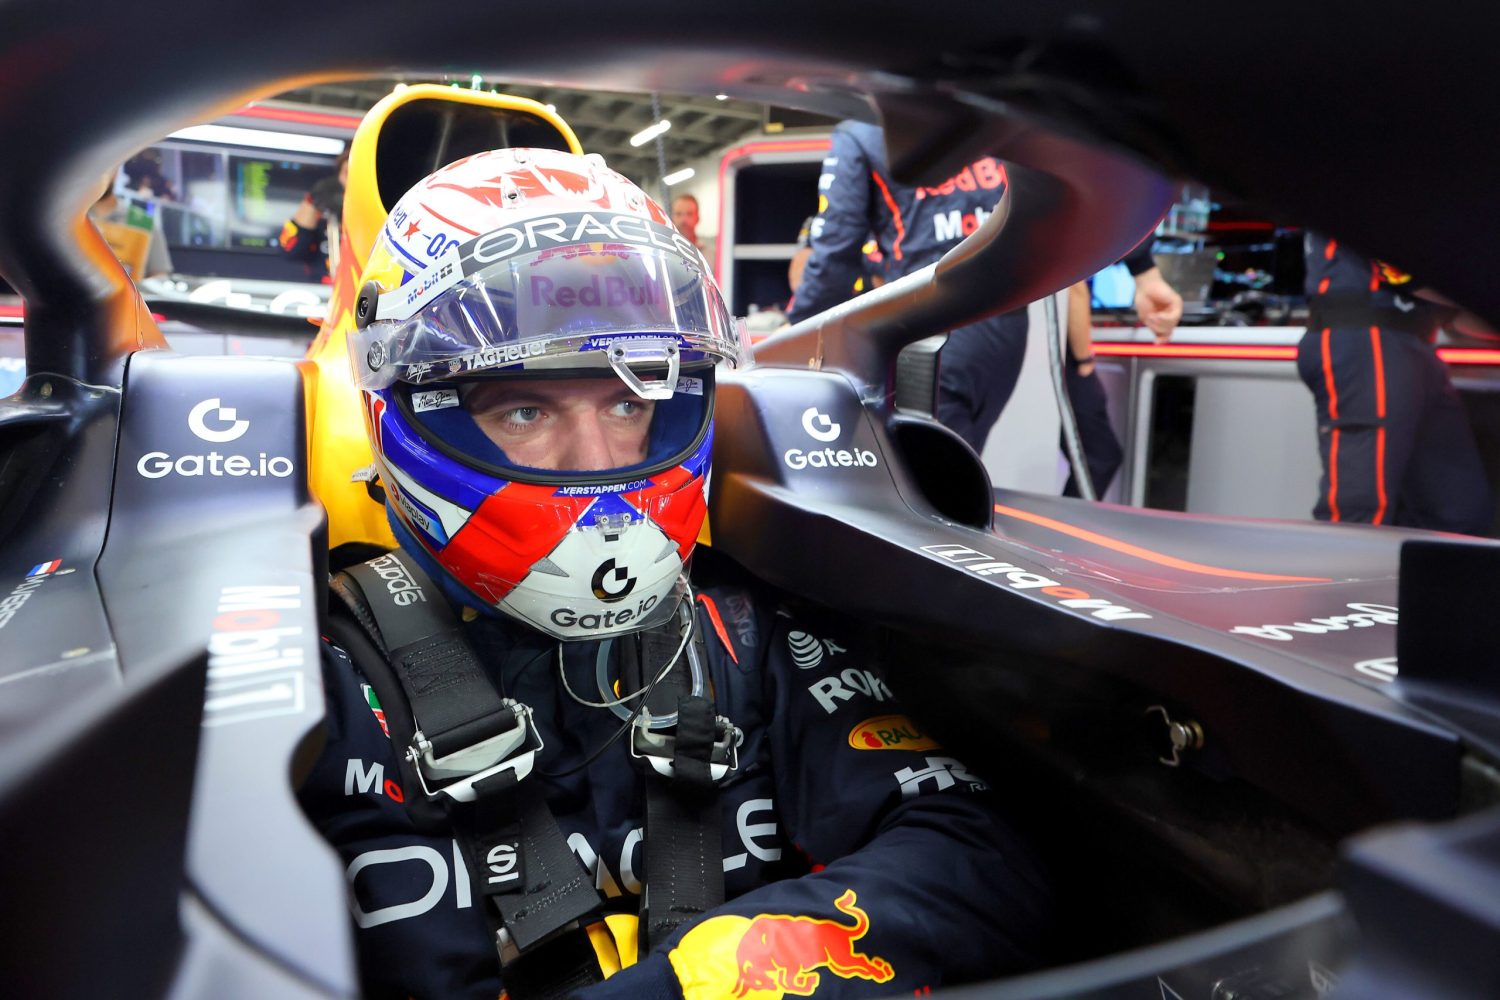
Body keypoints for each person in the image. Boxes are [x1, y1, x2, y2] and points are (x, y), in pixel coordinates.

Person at [299, 148, 1049, 1000]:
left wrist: (700, 982)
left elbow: (978, 853)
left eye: (630, 402)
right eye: (524, 409)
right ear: (402, 414)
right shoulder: (323, 686)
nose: (597, 461)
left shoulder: (742, 630)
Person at [787, 119, 1181, 458]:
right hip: (1004, 332)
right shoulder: (995, 108)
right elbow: (1090, 179)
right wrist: (1144, 271)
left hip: (927, 332)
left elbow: (835, 252)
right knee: (950, 475)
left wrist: (796, 338)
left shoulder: (863, 128)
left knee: (928, 488)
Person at [1296, 233, 1492, 533]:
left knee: (1458, 512)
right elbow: (1396, 271)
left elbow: (1453, 315)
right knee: (1360, 511)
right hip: (1368, 338)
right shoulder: (1385, 208)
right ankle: (1343, 564)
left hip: (1408, 341)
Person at [89, 168, 174, 279]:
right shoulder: (72, 219)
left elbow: (159, 276)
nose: (101, 174)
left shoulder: (143, 222)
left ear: (117, 171)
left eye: (107, 167)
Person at [279, 148, 348, 280]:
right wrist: (314, 198)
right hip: (329, 287)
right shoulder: (322, 218)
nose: (353, 178)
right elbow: (289, 250)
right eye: (347, 173)